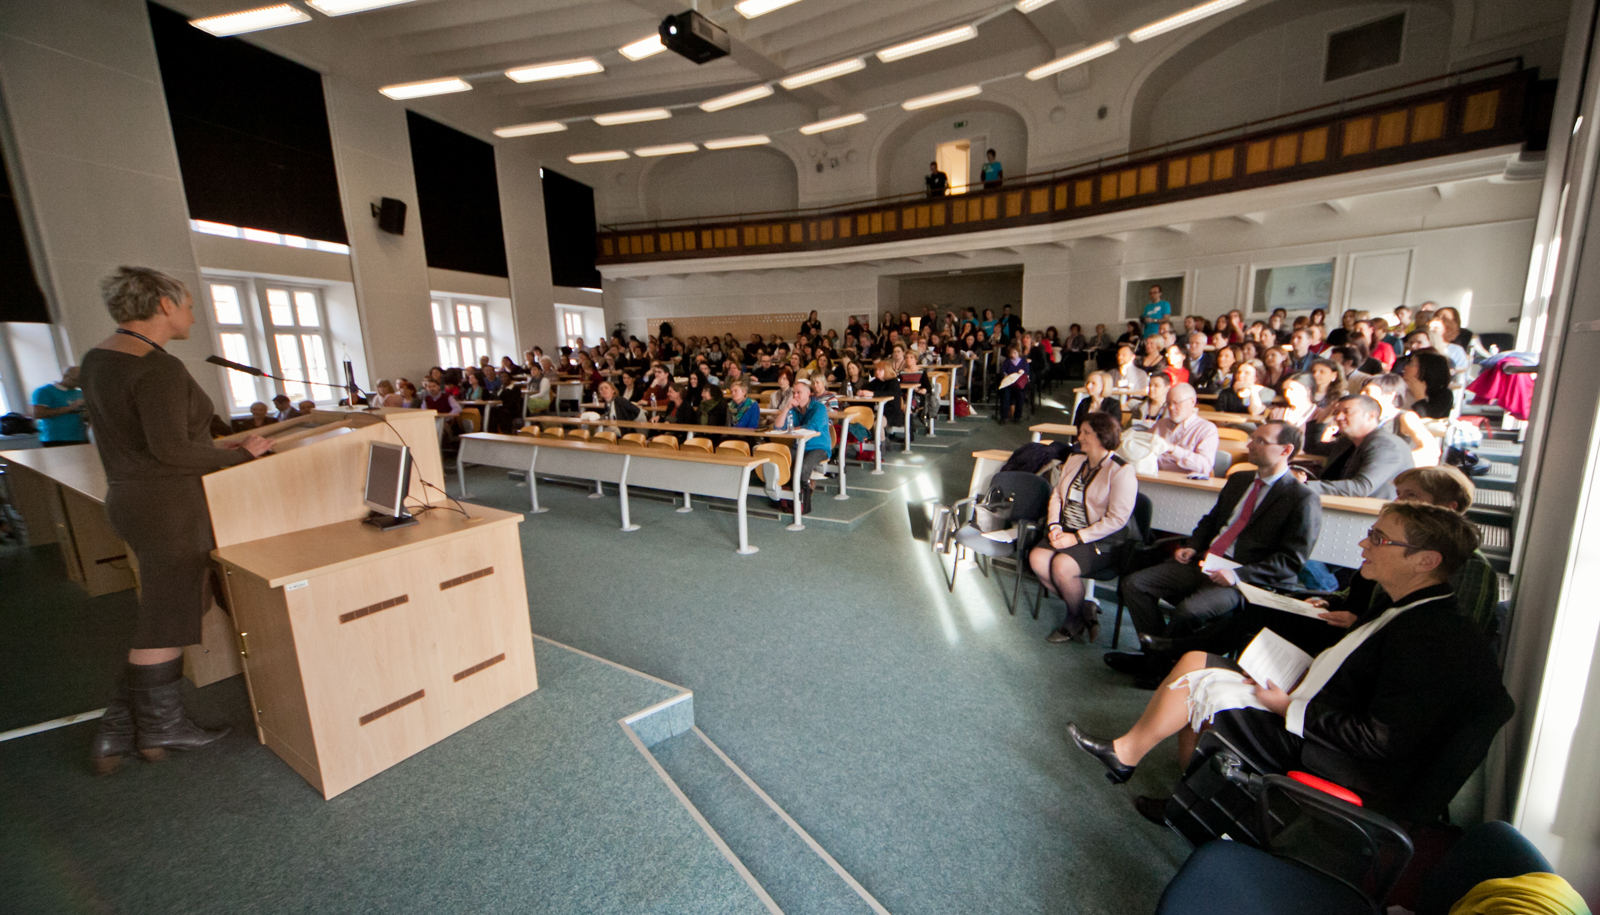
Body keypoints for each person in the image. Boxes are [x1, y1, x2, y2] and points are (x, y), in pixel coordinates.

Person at [1068, 502, 1505, 826]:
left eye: (1378, 538)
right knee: (1200, 670)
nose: (1363, 544)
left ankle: (1192, 808)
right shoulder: (1414, 607)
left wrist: (1289, 707)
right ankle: (1173, 788)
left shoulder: (1431, 636)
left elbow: (1378, 739)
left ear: (1427, 561)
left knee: (1201, 693)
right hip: (1332, 717)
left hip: (1351, 763)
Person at [79, 266, 274, 775]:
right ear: (164, 305)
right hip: (169, 506)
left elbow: (152, 441)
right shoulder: (158, 367)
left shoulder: (99, 359)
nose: (191, 314)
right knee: (166, 619)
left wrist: (215, 448)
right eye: (186, 304)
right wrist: (242, 456)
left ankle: (121, 730)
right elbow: (169, 450)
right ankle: (153, 727)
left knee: (174, 608)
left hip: (133, 499)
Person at [1106, 422, 1322, 686]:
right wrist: (1193, 545)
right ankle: (1158, 659)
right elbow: (1211, 521)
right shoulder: (1240, 480)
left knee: (1189, 610)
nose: (1250, 445)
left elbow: (1290, 561)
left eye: (1260, 441)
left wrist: (1237, 574)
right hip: (1206, 562)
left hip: (1244, 580)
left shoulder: (1302, 498)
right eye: (1253, 438)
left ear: (1286, 450)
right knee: (1136, 584)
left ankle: (1156, 664)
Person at [1030, 413, 1138, 644]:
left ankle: (1073, 619)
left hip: (1102, 538)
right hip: (1067, 528)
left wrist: (1077, 538)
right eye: (1081, 432)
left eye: (1086, 433)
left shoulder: (1121, 470)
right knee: (1037, 559)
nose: (1080, 437)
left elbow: (1117, 519)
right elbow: (1057, 495)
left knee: (1061, 566)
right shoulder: (1076, 459)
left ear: (1102, 436)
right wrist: (1054, 525)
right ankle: (1084, 608)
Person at [1300, 395, 1414, 500]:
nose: (1338, 417)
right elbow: (1313, 448)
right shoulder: (1348, 441)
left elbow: (1361, 487)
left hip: (1371, 511)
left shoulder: (1385, 445)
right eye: (1337, 412)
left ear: (1371, 416)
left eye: (1347, 412)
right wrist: (1321, 421)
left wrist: (1302, 485)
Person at [1363, 374, 1441, 468]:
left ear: (1390, 395)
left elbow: (1431, 450)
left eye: (1367, 392)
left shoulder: (1407, 417)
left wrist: (1394, 462)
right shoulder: (1366, 418)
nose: (1361, 395)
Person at [1151, 383, 1220, 476]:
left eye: (1176, 403)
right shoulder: (1161, 424)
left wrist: (1173, 449)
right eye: (1168, 403)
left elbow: (1205, 466)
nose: (1171, 407)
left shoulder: (1206, 429)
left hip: (1186, 482)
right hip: (1156, 477)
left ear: (1192, 402)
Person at [785, 380, 831, 514]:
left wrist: (794, 429)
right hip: (799, 446)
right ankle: (786, 497)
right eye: (794, 393)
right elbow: (781, 427)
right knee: (783, 458)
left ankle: (802, 501)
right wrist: (787, 408)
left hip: (819, 447)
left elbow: (812, 427)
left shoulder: (819, 408)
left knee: (804, 466)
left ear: (808, 393)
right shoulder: (794, 410)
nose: (795, 396)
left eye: (798, 392)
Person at [30, 366, 88, 447]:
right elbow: (38, 414)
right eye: (75, 380)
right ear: (65, 376)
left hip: (79, 436)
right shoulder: (45, 391)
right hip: (55, 438)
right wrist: (70, 408)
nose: (77, 383)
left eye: (80, 381)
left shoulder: (79, 393)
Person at [1405, 351, 1456, 419]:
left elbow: (1427, 420)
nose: (1406, 367)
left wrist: (1419, 396)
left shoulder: (1443, 395)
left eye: (1411, 364)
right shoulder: (1399, 386)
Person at [997, 345, 1029, 424]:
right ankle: (1003, 417)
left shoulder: (1023, 361)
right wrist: (1005, 375)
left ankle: (1017, 417)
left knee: (1020, 396)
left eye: (1015, 352)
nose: (1013, 355)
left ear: (1018, 352)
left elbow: (1027, 372)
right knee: (1005, 396)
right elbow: (1003, 371)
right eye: (1011, 353)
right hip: (1009, 384)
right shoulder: (1007, 361)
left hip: (1019, 384)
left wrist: (1022, 373)